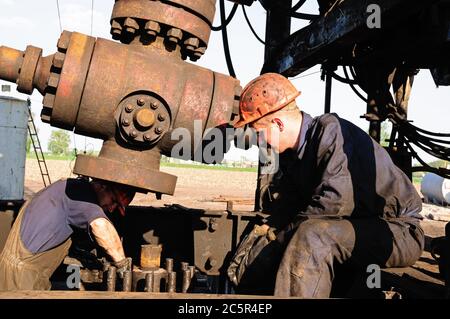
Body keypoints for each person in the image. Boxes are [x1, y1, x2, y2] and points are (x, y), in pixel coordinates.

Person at [227, 73, 424, 298]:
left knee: (312, 235)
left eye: (260, 135)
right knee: (295, 234)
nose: (260, 143)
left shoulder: (330, 132)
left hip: (397, 231)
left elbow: (334, 203)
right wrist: (265, 236)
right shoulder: (294, 158)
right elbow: (288, 208)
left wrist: (281, 237)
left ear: (278, 123)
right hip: (357, 227)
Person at [0, 177, 136, 290]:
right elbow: (100, 225)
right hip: (21, 278)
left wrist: (76, 252)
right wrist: (122, 265)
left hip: (23, 273)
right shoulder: (80, 196)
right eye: (113, 201)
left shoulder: (71, 189)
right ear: (102, 186)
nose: (111, 209)